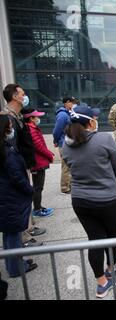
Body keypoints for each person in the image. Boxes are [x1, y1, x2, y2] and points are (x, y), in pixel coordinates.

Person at [62, 106, 116, 299]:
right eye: (95, 118)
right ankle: (111, 268)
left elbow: (71, 167)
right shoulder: (104, 138)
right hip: (109, 200)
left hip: (81, 201)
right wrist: (107, 180)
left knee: (95, 240)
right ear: (90, 122)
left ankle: (101, 283)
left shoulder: (65, 144)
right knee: (112, 237)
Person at [2, 84, 44, 248]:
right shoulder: (7, 118)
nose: (25, 97)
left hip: (22, 165)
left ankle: (28, 231)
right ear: (14, 96)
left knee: (24, 203)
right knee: (20, 203)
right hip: (16, 167)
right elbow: (10, 150)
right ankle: (24, 239)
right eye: (22, 94)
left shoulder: (17, 116)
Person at [0, 113, 38, 277]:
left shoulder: (5, 148)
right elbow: (17, 177)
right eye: (10, 126)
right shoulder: (6, 152)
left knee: (9, 234)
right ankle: (16, 267)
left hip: (6, 198)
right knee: (13, 234)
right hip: (10, 199)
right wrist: (30, 190)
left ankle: (14, 263)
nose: (12, 128)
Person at [23, 109, 55, 218]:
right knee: (38, 187)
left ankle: (39, 207)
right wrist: (49, 155)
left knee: (38, 187)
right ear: (31, 118)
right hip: (38, 163)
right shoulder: (31, 129)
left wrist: (48, 152)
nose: (38, 118)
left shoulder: (31, 128)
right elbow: (38, 146)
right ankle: (37, 210)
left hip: (38, 161)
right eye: (36, 117)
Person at [53, 96, 74, 194]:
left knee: (69, 165)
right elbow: (57, 130)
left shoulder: (67, 113)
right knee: (66, 166)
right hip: (64, 143)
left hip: (68, 142)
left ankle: (69, 184)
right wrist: (56, 140)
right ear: (67, 102)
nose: (73, 105)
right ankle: (65, 188)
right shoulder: (62, 115)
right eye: (72, 103)